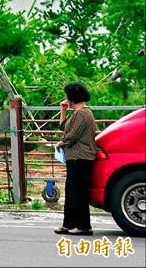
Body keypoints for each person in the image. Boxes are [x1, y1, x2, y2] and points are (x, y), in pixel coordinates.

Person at [53, 82, 98, 236]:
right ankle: (68, 224)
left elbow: (72, 136)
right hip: (75, 158)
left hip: (81, 158)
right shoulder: (78, 114)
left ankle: (84, 226)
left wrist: (62, 143)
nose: (66, 99)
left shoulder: (83, 113)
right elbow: (63, 128)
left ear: (72, 97)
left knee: (78, 192)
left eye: (67, 96)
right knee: (71, 191)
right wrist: (63, 111)